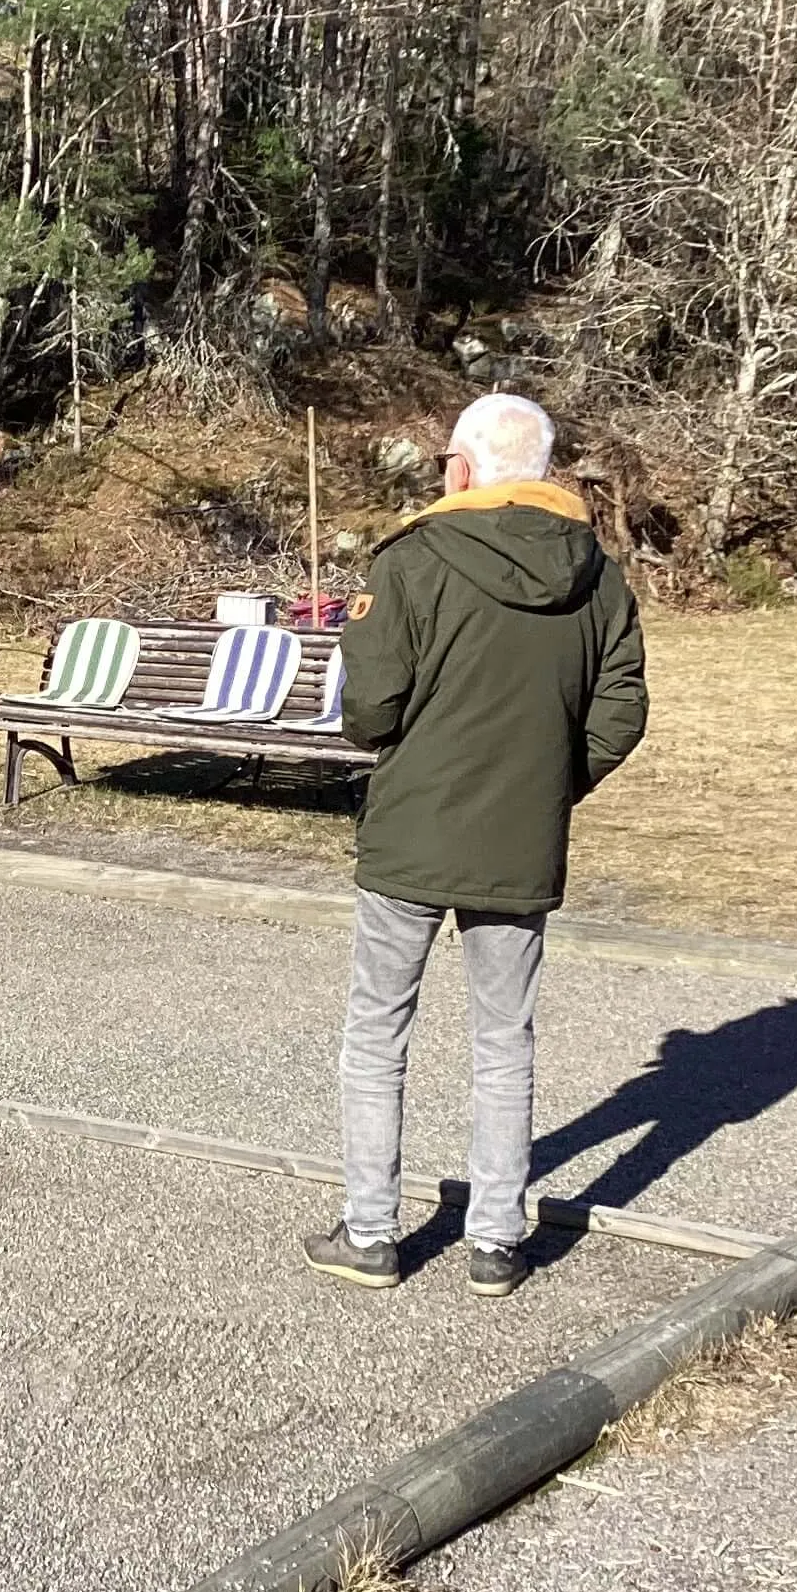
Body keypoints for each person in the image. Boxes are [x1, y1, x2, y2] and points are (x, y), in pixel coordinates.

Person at [303, 393, 648, 1297]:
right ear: (541, 472)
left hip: (414, 825)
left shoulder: (412, 561)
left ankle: (371, 1231)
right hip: (520, 837)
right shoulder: (598, 573)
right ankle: (496, 1238)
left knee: (378, 1032)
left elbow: (369, 707)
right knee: (506, 1039)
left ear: (460, 469)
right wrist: (554, 783)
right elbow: (622, 706)